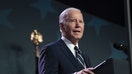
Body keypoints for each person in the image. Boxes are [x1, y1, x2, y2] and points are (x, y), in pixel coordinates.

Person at [38, 7, 95, 74]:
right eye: (73, 21)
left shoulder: (85, 58)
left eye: (80, 21)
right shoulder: (51, 50)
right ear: (62, 27)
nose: (78, 25)